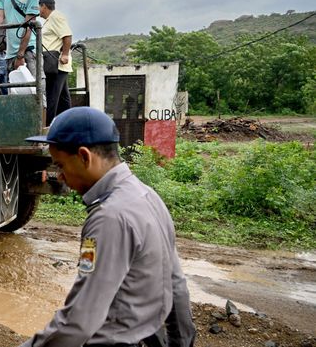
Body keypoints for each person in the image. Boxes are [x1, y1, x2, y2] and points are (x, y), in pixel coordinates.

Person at [21, 107, 196, 347]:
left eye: (60, 165)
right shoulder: (147, 196)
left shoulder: (109, 218)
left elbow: (78, 322)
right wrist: (181, 342)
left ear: (84, 156)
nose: (59, 176)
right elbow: (176, 285)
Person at [39, 0, 73, 125]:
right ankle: (67, 124)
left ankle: (48, 127)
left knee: (52, 97)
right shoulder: (49, 20)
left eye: (39, 7)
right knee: (63, 98)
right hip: (54, 63)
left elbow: (67, 35)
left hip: (56, 63)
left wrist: (64, 54)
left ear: (43, 6)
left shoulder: (56, 16)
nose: (39, 10)